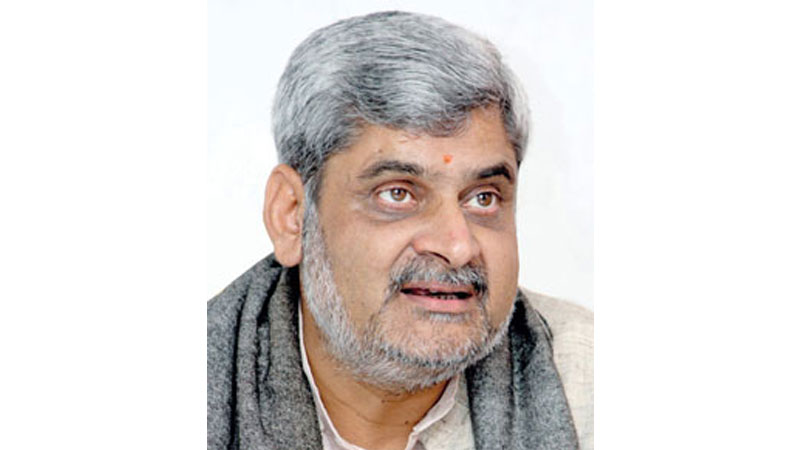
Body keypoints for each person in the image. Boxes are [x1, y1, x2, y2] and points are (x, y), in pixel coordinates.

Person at [208, 11, 593, 450]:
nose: (457, 246)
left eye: (483, 198)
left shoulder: (588, 382)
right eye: (398, 194)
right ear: (292, 215)